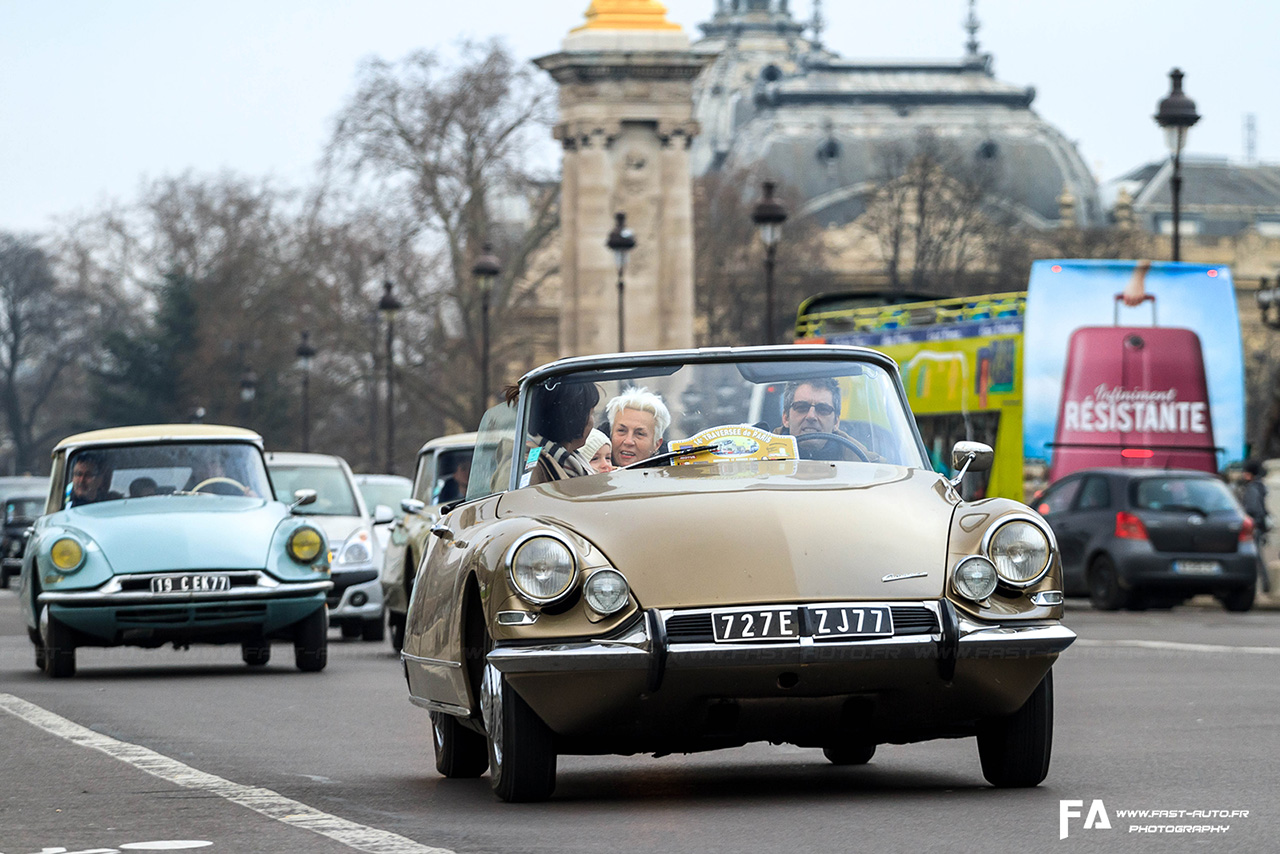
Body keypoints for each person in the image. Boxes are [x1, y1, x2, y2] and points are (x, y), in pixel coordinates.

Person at [776, 378, 875, 462]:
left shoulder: (868, 465)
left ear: (836, 422)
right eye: (801, 407)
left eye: (823, 409)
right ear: (785, 418)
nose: (811, 416)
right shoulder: (761, 460)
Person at [526, 380, 600, 485]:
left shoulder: (569, 459)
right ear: (576, 418)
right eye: (592, 413)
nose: (593, 421)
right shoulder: (531, 466)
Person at [606, 387, 669, 467]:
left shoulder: (671, 476)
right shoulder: (590, 472)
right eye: (621, 431)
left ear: (657, 444)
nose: (628, 441)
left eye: (640, 434)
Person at [1242, 459, 1271, 594]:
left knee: (1255, 557)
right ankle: (1265, 585)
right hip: (1259, 525)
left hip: (1254, 527)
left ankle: (1264, 586)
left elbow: (1253, 508)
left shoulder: (1252, 488)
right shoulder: (1259, 486)